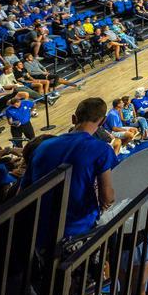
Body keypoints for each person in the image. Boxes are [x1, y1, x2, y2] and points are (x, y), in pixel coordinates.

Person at [28, 97, 117, 238]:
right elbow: (106, 197)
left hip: (39, 230)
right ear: (103, 121)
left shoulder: (43, 146)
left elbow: (25, 189)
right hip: (78, 230)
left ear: (73, 118)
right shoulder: (101, 149)